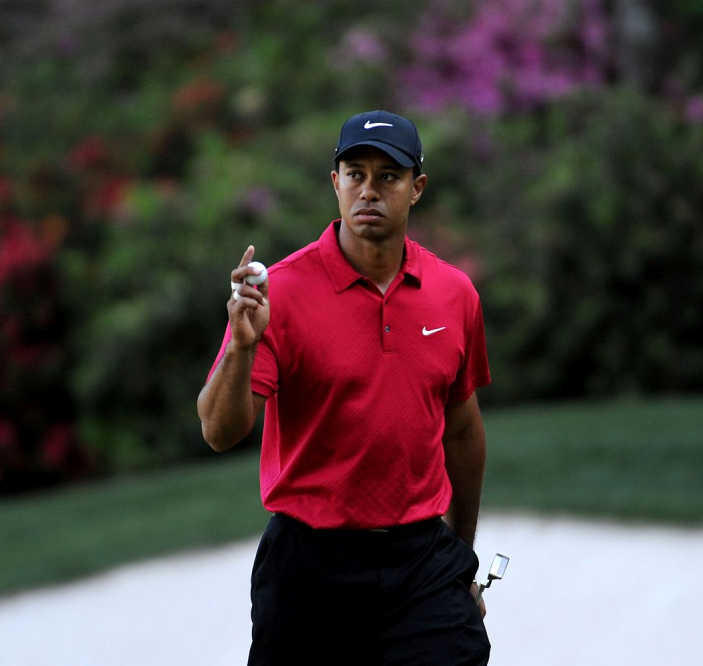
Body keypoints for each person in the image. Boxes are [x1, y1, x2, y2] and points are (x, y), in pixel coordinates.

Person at [197, 110, 492, 665]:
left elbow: (464, 434)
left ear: (417, 188)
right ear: (335, 184)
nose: (369, 191)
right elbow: (218, 430)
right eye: (355, 174)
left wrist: (460, 557)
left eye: (389, 176)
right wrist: (241, 346)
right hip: (309, 565)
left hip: (420, 559)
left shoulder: (454, 295)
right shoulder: (278, 293)